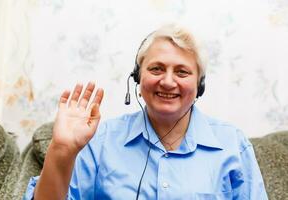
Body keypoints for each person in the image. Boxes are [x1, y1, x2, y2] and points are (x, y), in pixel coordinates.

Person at [24, 23, 268, 200]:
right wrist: (61, 151)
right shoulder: (100, 140)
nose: (168, 82)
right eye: (156, 69)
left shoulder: (232, 144)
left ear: (199, 85)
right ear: (138, 78)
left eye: (182, 72)